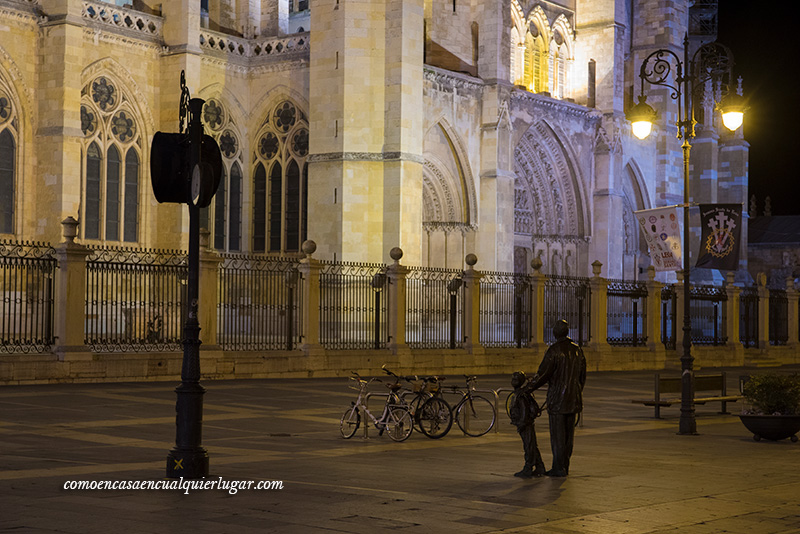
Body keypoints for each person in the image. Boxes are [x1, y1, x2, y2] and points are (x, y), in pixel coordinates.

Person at [528, 319, 587, 477]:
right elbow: (582, 376)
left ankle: (558, 467)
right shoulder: (577, 350)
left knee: (558, 435)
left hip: (557, 400)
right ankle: (565, 466)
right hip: (573, 398)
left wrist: (528, 388)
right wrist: (577, 390)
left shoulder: (554, 350)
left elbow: (543, 375)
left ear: (555, 333)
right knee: (569, 436)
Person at [508, 371, 546, 478]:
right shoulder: (519, 393)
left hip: (525, 424)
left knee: (528, 445)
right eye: (512, 379)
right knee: (532, 444)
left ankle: (528, 467)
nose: (513, 381)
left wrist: (522, 423)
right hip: (524, 423)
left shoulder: (521, 395)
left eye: (515, 380)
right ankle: (540, 466)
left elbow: (524, 410)